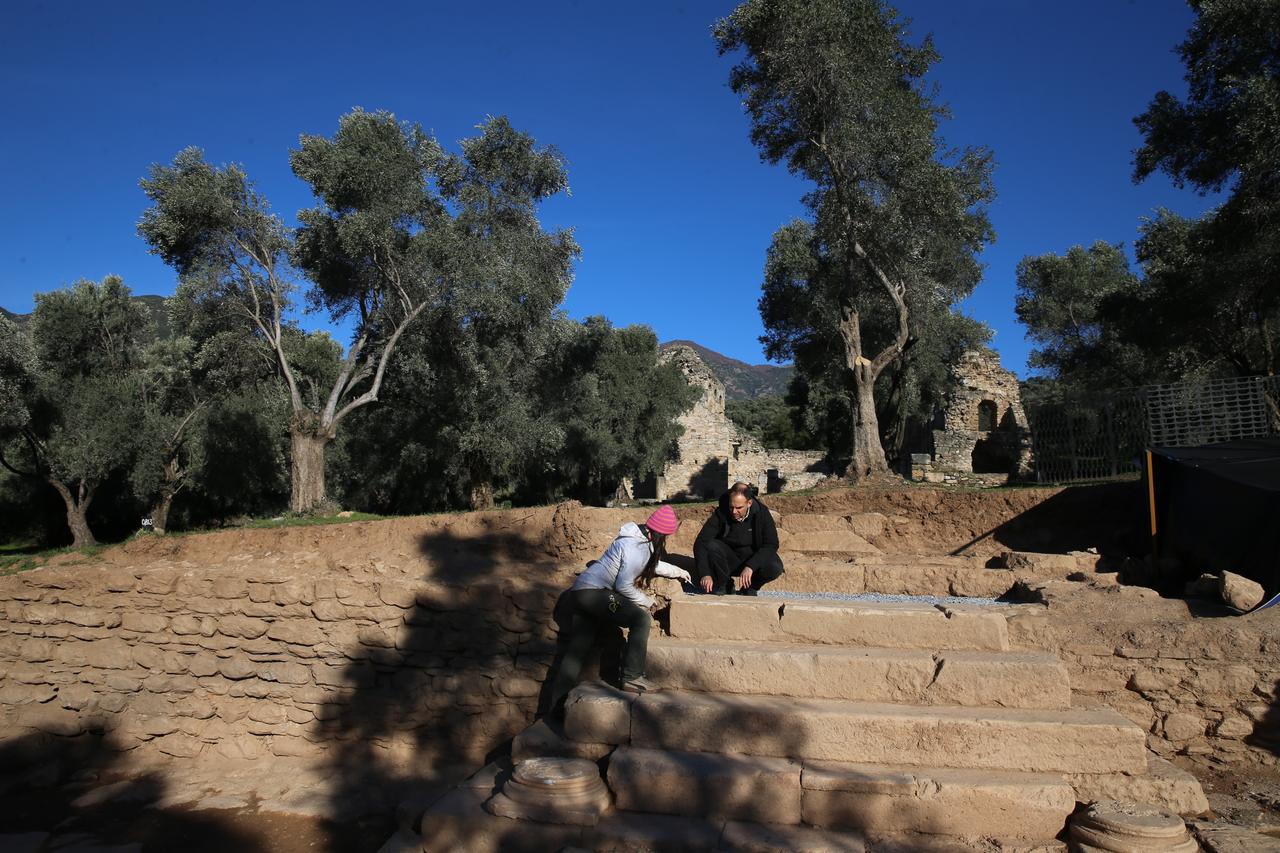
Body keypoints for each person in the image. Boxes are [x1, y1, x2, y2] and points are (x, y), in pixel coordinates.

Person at [546, 505, 687, 711]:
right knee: (640, 619)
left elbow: (646, 565)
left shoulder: (637, 539)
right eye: (665, 536)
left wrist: (677, 571)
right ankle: (632, 677)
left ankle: (556, 708)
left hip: (579, 593)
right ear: (658, 534)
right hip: (596, 595)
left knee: (577, 650)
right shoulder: (635, 547)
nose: (665, 540)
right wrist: (647, 601)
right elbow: (623, 585)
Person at [694, 482, 784, 595]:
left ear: (749, 503)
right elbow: (701, 542)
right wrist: (705, 574)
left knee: (775, 567)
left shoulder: (761, 513)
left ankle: (750, 587)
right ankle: (725, 584)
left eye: (739, 508)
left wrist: (751, 566)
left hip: (752, 559)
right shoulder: (721, 512)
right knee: (711, 546)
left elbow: (771, 544)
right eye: (731, 507)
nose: (734, 512)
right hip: (728, 560)